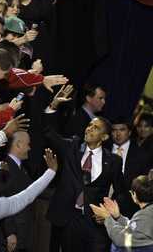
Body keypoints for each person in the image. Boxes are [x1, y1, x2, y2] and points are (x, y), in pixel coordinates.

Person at [44, 86, 126, 252]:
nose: (89, 128)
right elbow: (49, 132)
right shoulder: (72, 147)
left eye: (95, 128)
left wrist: (109, 213)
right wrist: (53, 106)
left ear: (104, 137)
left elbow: (121, 191)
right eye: (89, 125)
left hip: (94, 223)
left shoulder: (113, 161)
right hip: (67, 217)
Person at [90, 169, 153, 252]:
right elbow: (136, 229)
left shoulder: (145, 215)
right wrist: (118, 217)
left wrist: (107, 218)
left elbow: (121, 240)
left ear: (134, 195)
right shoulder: (147, 212)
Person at [111, 117, 150, 217]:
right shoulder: (103, 150)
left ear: (129, 132)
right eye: (114, 130)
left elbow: (144, 185)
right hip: (102, 203)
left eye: (122, 130)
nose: (118, 134)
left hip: (130, 208)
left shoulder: (142, 154)